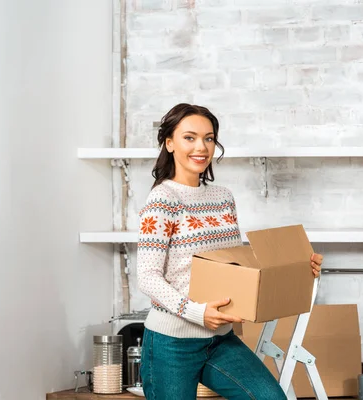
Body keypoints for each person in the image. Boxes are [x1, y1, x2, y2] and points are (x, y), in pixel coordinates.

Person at [136, 103, 323, 400]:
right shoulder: (162, 201)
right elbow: (147, 277)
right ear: (169, 143)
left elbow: (235, 266)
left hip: (220, 340)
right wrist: (198, 313)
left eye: (209, 138)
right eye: (190, 137)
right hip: (171, 343)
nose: (201, 147)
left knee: (271, 398)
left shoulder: (222, 198)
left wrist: (299, 268)